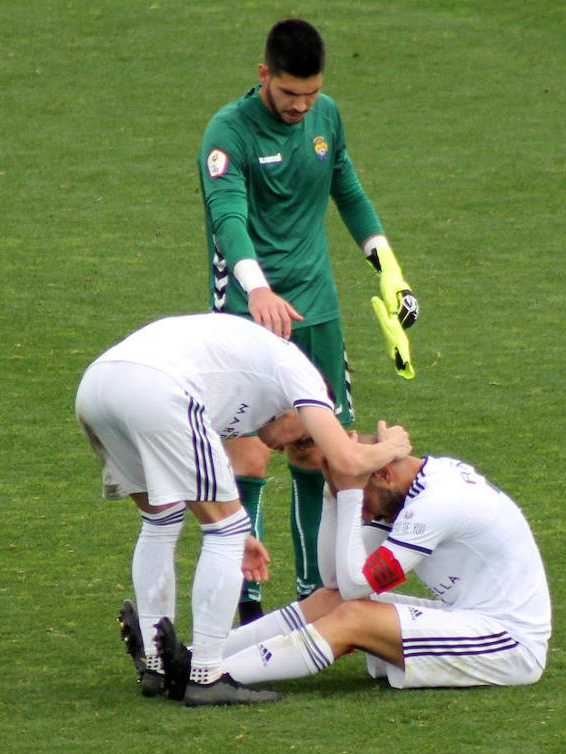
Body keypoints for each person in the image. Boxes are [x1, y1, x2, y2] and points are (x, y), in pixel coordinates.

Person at [198, 18, 420, 621]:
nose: (301, 106)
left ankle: (305, 599)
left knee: (317, 454)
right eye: (290, 93)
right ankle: (244, 606)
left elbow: (345, 187)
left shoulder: (326, 117)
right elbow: (228, 219)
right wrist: (259, 289)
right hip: (248, 314)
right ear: (264, 74)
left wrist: (387, 267)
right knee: (248, 457)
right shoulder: (229, 133)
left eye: (311, 94)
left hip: (316, 312)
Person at [75, 313, 410, 706]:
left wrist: (235, 530)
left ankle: (156, 667)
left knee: (161, 519)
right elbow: (349, 461)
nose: (289, 449)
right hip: (155, 386)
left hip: (98, 386)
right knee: (225, 531)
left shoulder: (243, 388)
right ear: (305, 411)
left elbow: (192, 477)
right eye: (303, 439)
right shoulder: (306, 377)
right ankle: (206, 676)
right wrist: (393, 448)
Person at [147, 444, 551, 694]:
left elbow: (357, 586)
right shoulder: (414, 483)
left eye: (364, 496)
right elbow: (336, 581)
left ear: (384, 474)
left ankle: (209, 676)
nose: (365, 512)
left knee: (355, 614)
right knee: (331, 601)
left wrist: (352, 495)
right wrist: (333, 492)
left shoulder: (436, 505)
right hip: (472, 619)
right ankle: (198, 658)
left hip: (510, 644)